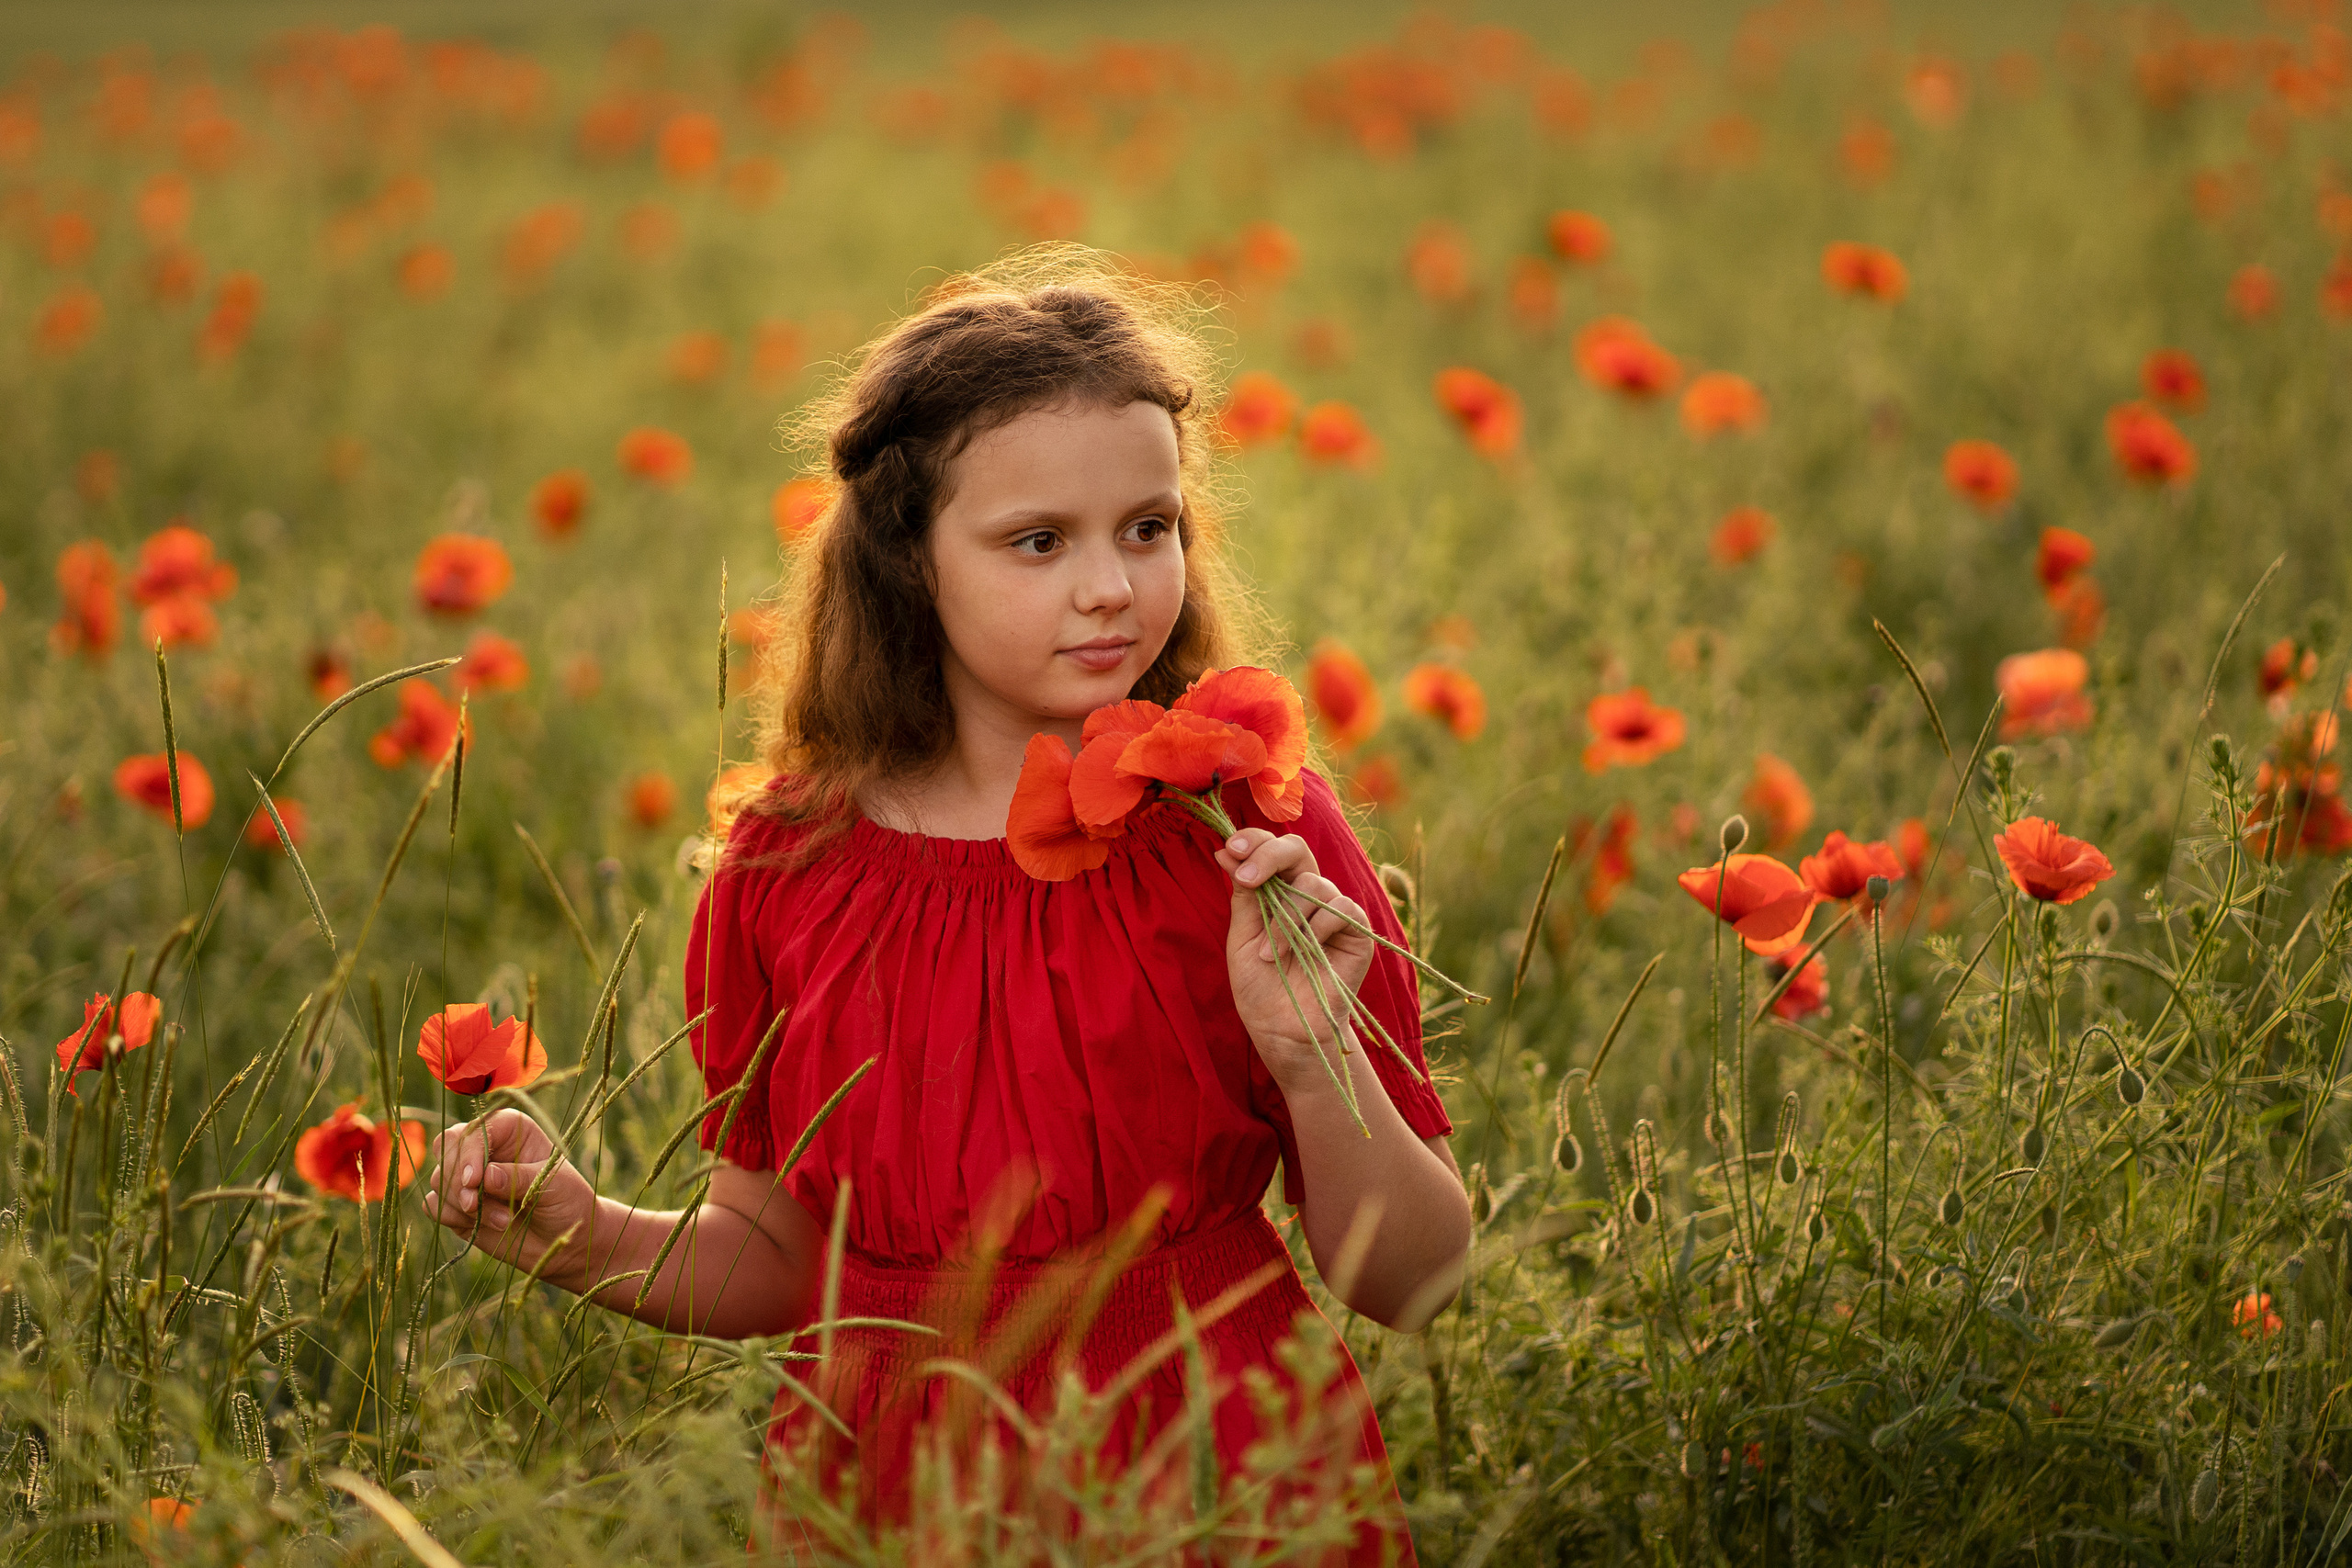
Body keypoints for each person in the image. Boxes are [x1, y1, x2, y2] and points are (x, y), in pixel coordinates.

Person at [422, 245, 1470, 1562]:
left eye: (1150, 528)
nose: (1112, 585)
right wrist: (579, 1234)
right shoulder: (788, 869)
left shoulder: (1252, 828)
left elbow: (1418, 1281)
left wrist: (1317, 1070)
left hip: (1220, 1470)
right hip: (896, 1497)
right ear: (909, 560)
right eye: (1040, 542)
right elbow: (779, 1258)